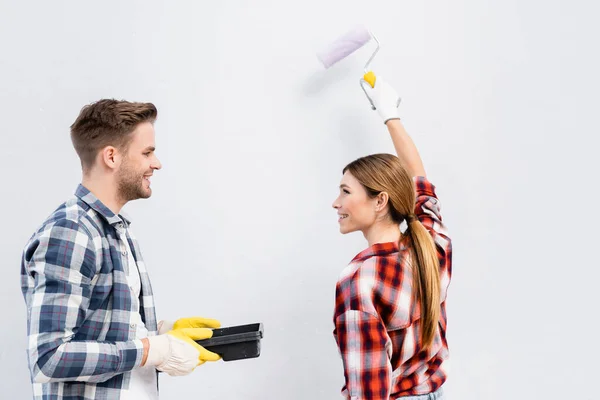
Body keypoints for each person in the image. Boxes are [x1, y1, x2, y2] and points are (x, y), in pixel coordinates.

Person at [20, 99, 221, 400]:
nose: (157, 163)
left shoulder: (115, 230)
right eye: (147, 152)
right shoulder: (71, 232)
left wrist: (161, 332)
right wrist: (153, 350)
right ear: (111, 157)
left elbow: (102, 328)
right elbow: (49, 357)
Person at [331, 77, 452, 399]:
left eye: (345, 192)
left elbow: (368, 390)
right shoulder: (433, 241)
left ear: (381, 200)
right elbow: (419, 178)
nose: (336, 203)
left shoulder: (358, 280)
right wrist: (390, 114)